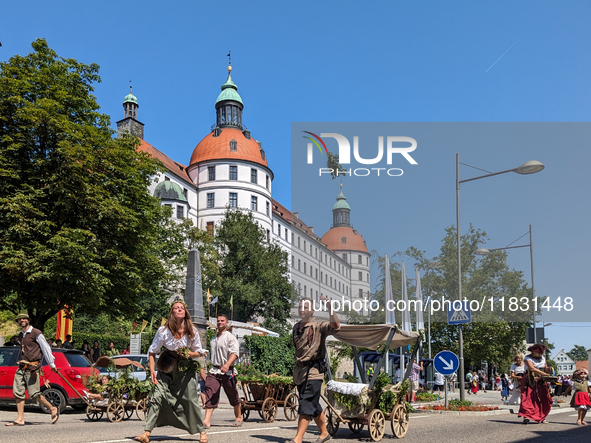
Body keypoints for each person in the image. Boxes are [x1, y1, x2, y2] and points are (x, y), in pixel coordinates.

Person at [134, 298, 207, 443]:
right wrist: (152, 372)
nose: (179, 309)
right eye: (176, 307)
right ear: (172, 312)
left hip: (185, 369)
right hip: (166, 367)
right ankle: (146, 433)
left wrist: (188, 353)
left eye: (181, 307)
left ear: (185, 312)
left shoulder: (192, 331)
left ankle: (202, 432)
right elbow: (152, 352)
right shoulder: (163, 331)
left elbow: (198, 352)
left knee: (191, 400)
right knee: (157, 396)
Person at [288, 296, 340, 443]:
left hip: (314, 371)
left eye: (305, 307)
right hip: (300, 372)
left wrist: (330, 307)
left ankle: (298, 439)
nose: (301, 310)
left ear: (312, 310)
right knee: (314, 405)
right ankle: (324, 433)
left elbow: (335, 326)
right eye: (299, 307)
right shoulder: (296, 327)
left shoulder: (319, 325)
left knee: (306, 403)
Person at [5, 313, 60, 426]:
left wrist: (52, 365)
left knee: (34, 394)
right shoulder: (21, 335)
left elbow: (46, 348)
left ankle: (52, 408)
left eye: (24, 319)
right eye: (20, 319)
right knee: (18, 392)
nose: (22, 320)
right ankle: (20, 419)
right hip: (22, 367)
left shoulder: (36, 333)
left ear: (28, 320)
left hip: (33, 368)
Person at [203, 314, 242, 428]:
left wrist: (227, 364)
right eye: (218, 321)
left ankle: (239, 416)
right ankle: (206, 420)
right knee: (210, 391)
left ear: (227, 323)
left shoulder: (230, 337)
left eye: (222, 321)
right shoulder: (213, 339)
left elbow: (234, 353)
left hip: (227, 371)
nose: (220, 322)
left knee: (232, 394)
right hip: (214, 370)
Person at [519, 343, 552, 424]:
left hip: (541, 379)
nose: (541, 354)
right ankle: (526, 416)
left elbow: (545, 368)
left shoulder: (542, 358)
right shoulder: (527, 358)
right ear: (534, 352)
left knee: (542, 397)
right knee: (528, 398)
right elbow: (532, 368)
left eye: (541, 352)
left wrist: (549, 369)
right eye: (539, 352)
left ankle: (541, 417)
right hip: (530, 379)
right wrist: (544, 374)